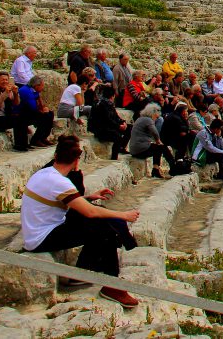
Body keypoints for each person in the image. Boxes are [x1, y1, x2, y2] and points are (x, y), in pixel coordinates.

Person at [21, 135, 141, 308]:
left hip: (37, 231)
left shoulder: (45, 173)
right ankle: (112, 284)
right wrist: (124, 215)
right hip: (41, 238)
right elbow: (90, 212)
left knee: (98, 223)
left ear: (55, 156)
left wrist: (88, 197)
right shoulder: (60, 182)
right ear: (77, 161)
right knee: (103, 228)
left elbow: (66, 201)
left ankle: (80, 273)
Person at [129, 104, 176, 178]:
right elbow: (154, 132)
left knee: (158, 148)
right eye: (156, 117)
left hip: (135, 149)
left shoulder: (140, 119)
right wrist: (158, 140)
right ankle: (173, 166)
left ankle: (156, 169)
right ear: (152, 113)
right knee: (161, 147)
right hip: (140, 149)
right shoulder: (148, 120)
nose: (156, 119)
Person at [88, 85, 130, 160]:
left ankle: (121, 148)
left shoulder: (107, 103)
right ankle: (114, 158)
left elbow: (115, 116)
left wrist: (123, 123)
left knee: (130, 128)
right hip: (101, 129)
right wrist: (119, 126)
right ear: (112, 96)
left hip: (107, 126)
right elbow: (107, 120)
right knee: (118, 136)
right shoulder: (102, 104)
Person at [14, 76, 55, 151]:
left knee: (50, 114)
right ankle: (36, 139)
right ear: (36, 85)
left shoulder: (33, 90)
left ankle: (43, 138)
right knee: (45, 116)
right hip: (21, 114)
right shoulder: (25, 91)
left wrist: (43, 107)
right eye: (42, 86)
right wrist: (42, 111)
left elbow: (40, 104)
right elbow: (33, 107)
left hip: (28, 112)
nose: (43, 88)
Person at [193, 118, 223, 182]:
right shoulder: (203, 133)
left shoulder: (213, 133)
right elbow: (210, 148)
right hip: (201, 155)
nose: (220, 130)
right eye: (219, 129)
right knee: (221, 155)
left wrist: (219, 136)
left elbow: (221, 146)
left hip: (208, 152)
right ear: (216, 129)